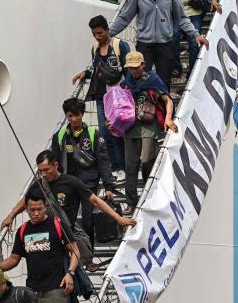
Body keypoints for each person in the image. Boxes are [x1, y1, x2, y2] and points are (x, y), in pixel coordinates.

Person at [109, 0, 209, 88]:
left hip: (165, 44)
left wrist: (196, 34)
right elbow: (124, 18)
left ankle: (166, 107)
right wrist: (109, 33)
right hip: (144, 44)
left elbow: (182, 19)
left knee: (164, 82)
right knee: (142, 81)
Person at [1, 151, 135, 233]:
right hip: (47, 234)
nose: (43, 174)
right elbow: (25, 200)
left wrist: (118, 218)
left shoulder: (71, 182)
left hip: (67, 234)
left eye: (46, 169)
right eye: (40, 171)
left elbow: (95, 200)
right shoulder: (40, 184)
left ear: (56, 165)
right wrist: (11, 216)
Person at [50, 97, 115, 266]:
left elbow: (103, 160)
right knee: (66, 222)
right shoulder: (59, 136)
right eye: (70, 116)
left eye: (76, 115)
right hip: (67, 185)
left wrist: (108, 186)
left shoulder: (94, 135)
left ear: (82, 114)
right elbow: (54, 161)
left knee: (88, 221)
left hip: (88, 184)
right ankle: (69, 257)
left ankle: (88, 258)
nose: (73, 119)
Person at [115, 51, 178, 215]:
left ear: (143, 65)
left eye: (136, 67)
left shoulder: (152, 80)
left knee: (147, 160)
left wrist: (168, 118)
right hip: (130, 127)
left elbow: (167, 99)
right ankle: (131, 202)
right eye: (131, 68)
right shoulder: (125, 84)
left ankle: (150, 197)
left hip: (149, 126)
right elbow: (118, 105)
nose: (134, 71)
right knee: (130, 166)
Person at [72, 16, 130, 176]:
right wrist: (86, 73)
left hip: (117, 97)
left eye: (100, 33)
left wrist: (128, 92)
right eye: (94, 34)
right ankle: (113, 167)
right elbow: (99, 69)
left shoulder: (120, 46)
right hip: (101, 96)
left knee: (117, 132)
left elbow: (128, 71)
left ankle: (122, 167)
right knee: (104, 133)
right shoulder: (95, 48)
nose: (97, 37)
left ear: (107, 30)